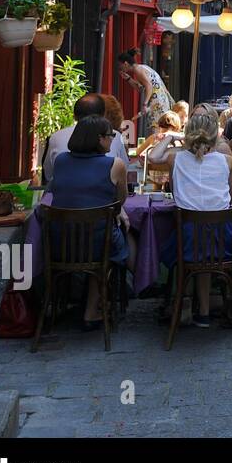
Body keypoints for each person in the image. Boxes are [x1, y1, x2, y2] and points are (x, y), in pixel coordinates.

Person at [148, 111, 232, 328]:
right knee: (209, 246)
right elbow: (231, 198)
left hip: (186, 241)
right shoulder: (227, 161)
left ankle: (185, 304)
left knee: (194, 246)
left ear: (187, 135)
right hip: (221, 242)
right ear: (215, 136)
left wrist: (171, 137)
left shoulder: (175, 158)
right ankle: (208, 310)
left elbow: (152, 157)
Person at [48, 115, 134, 328]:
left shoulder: (61, 161)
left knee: (102, 239)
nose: (112, 140)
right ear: (99, 139)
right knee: (116, 241)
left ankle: (65, 302)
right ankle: (94, 309)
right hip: (97, 246)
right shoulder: (115, 165)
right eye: (110, 136)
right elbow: (120, 200)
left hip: (60, 244)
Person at [42, 93, 130, 183]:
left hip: (65, 194)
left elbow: (49, 175)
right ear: (103, 115)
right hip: (102, 195)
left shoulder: (56, 137)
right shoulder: (115, 137)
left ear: (74, 115)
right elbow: (124, 173)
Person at [116, 49, 174, 133]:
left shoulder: (138, 70)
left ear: (125, 63)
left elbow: (149, 86)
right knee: (160, 128)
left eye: (120, 65)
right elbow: (143, 89)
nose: (119, 67)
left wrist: (145, 103)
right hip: (161, 101)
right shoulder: (142, 67)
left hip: (157, 103)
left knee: (156, 130)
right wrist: (128, 79)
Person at [139, 111, 185, 189]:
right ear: (176, 128)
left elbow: (138, 152)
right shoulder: (179, 141)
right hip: (172, 178)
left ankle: (156, 192)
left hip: (154, 176)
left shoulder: (154, 137)